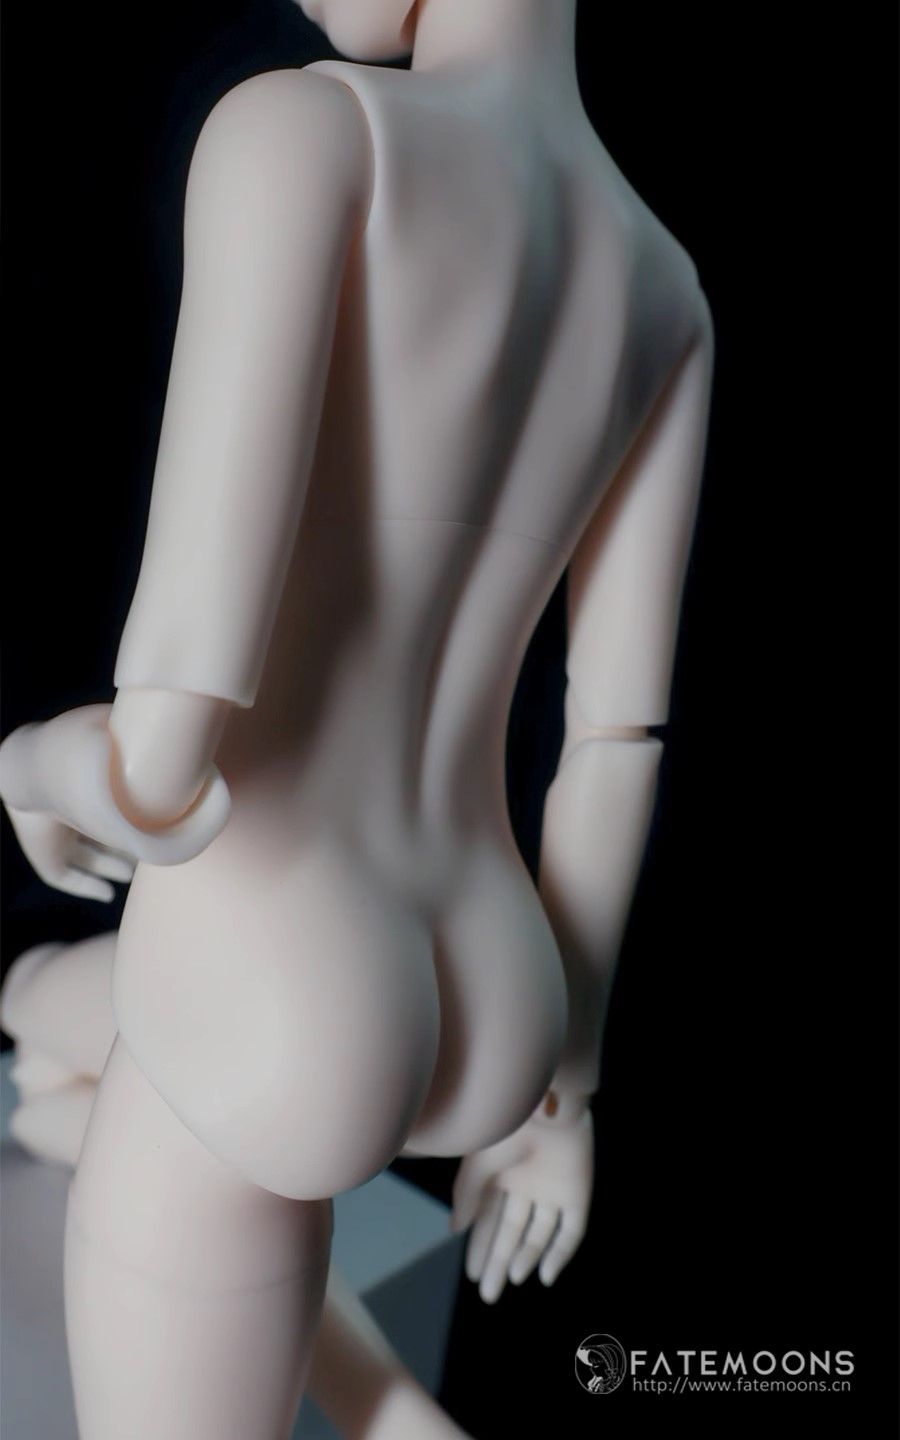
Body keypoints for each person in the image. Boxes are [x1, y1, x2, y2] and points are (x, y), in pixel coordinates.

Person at [0, 1, 713, 1434]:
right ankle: (390, 1405)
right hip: (497, 980)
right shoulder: (667, 288)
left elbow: (162, 752)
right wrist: (564, 1099)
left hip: (284, 969)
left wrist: (31, 765)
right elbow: (613, 742)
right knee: (42, 1034)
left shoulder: (307, 136)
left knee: (177, 1096)